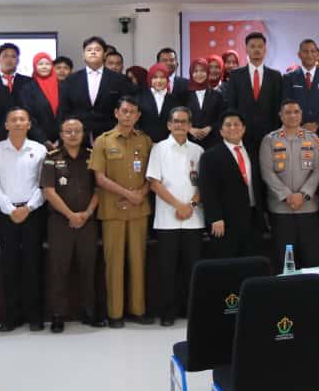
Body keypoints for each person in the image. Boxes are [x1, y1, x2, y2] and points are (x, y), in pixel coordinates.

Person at [90, 96, 153, 327]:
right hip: (113, 210)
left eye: (132, 112)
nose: (128, 115)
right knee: (114, 263)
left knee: (138, 261)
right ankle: (115, 313)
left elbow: (152, 174)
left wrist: (141, 193)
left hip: (138, 209)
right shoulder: (103, 141)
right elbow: (99, 178)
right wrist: (128, 194)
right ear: (116, 113)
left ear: (138, 116)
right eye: (124, 111)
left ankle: (138, 310)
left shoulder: (145, 140)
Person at [0, 107, 48, 331]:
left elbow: (44, 184)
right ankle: (12, 316)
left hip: (33, 213)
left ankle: (35, 316)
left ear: (29, 125)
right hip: (6, 214)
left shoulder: (39, 149)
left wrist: (28, 207)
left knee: (33, 264)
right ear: (6, 125)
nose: (18, 122)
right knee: (9, 265)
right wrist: (10, 208)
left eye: (22, 119)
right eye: (14, 119)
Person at [41, 117, 104, 332]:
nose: (73, 135)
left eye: (77, 130)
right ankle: (58, 314)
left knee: (89, 267)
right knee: (59, 269)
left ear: (83, 133)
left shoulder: (92, 156)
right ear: (61, 134)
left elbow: (98, 189)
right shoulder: (52, 158)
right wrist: (70, 214)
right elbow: (48, 191)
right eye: (68, 131)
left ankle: (89, 311)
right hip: (60, 222)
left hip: (87, 221)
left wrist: (87, 213)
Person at [147, 107, 205, 326]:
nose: (180, 125)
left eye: (184, 121)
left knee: (193, 268)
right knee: (167, 269)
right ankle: (168, 313)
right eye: (176, 121)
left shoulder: (198, 150)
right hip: (167, 218)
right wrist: (178, 206)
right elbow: (154, 183)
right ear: (169, 125)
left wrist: (190, 206)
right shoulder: (159, 149)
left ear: (190, 125)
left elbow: (203, 184)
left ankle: (192, 311)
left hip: (194, 218)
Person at [260, 99, 319, 270]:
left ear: (301, 114)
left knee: (311, 258)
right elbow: (267, 172)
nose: (293, 115)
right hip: (281, 209)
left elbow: (318, 169)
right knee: (284, 260)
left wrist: (303, 194)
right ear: (281, 115)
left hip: (308, 207)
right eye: (288, 112)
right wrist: (287, 195)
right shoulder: (269, 140)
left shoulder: (313, 139)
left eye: (296, 112)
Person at [199, 110, 266, 258]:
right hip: (225, 221)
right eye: (228, 125)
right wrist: (215, 217)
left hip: (253, 217)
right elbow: (207, 190)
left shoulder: (253, 151)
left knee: (252, 262)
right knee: (228, 264)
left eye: (236, 124)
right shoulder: (209, 156)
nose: (233, 128)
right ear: (221, 131)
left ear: (243, 128)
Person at [58, 36, 134, 139]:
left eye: (97, 50)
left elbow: (125, 109)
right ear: (84, 55)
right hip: (78, 136)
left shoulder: (119, 80)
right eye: (89, 50)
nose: (93, 52)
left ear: (104, 55)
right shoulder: (71, 80)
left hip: (111, 135)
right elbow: (64, 110)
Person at [223, 32, 282, 159]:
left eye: (260, 46)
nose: (256, 50)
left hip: (269, 134)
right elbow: (231, 105)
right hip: (242, 133)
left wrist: (277, 132)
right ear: (246, 49)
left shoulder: (275, 76)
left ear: (265, 49)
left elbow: (278, 106)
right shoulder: (236, 75)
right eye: (253, 46)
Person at [281, 38, 319, 145]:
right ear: (299, 54)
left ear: (317, 54)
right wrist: (300, 125)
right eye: (305, 51)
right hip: (296, 132)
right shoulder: (289, 78)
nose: (309, 55)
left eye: (313, 51)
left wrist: (316, 123)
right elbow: (286, 105)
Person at [137, 63, 182, 143]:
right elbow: (135, 123)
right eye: (155, 77)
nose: (159, 81)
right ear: (150, 79)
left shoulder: (175, 100)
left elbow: (176, 124)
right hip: (143, 144)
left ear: (167, 79)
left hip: (168, 144)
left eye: (162, 77)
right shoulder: (139, 97)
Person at [23, 51, 61, 145]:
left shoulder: (62, 86)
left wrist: (62, 138)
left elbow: (66, 113)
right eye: (40, 64)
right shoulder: (27, 89)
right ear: (34, 66)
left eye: (47, 64)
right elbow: (28, 116)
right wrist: (42, 139)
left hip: (62, 140)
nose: (44, 67)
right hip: (37, 141)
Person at [186, 58, 224, 150]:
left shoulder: (217, 95)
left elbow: (221, 117)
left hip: (212, 142)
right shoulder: (184, 95)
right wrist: (189, 129)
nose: (199, 74)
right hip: (190, 141)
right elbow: (179, 117)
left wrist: (210, 128)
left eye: (202, 71)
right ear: (191, 73)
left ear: (207, 72)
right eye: (195, 71)